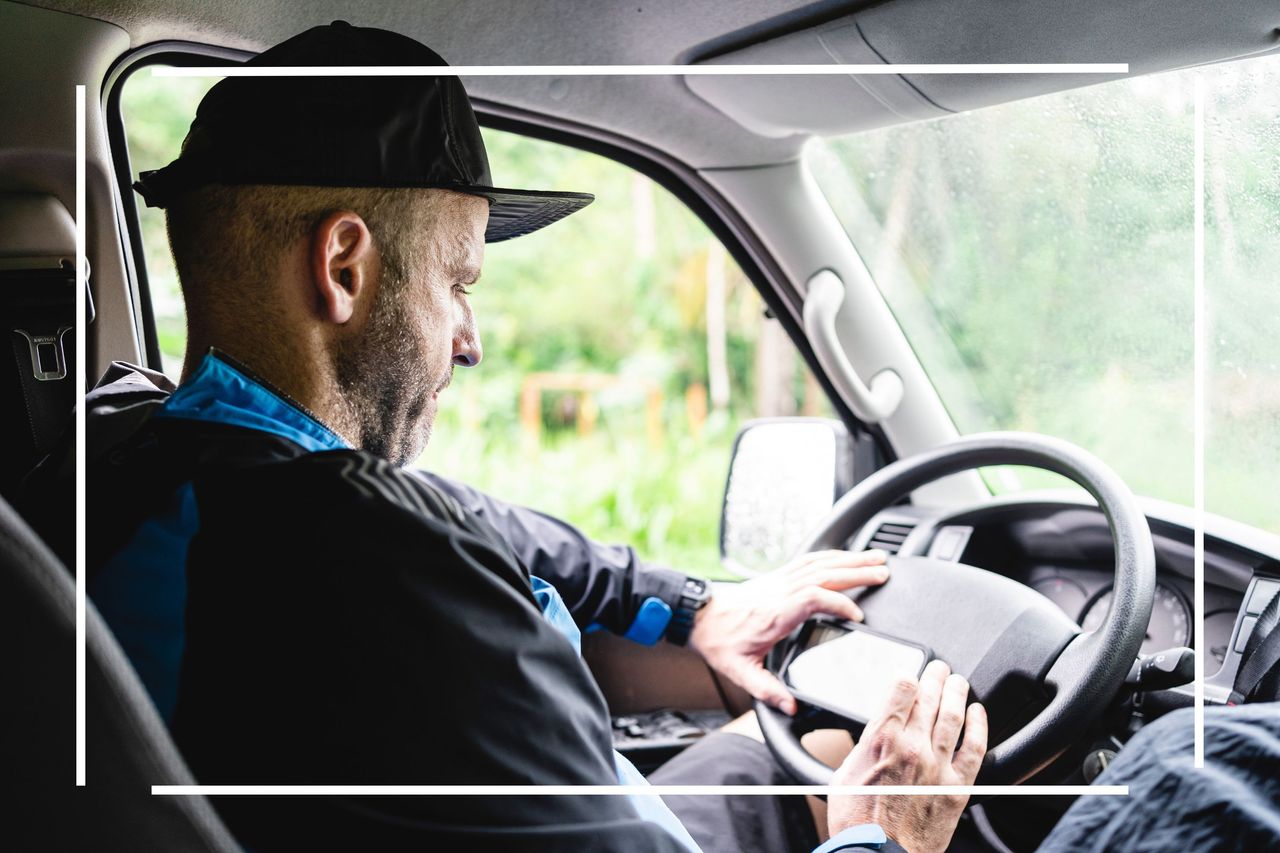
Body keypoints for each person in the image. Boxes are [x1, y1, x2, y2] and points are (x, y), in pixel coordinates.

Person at [86, 21, 987, 853]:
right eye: (459, 283)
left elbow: (478, 522)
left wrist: (695, 606)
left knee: (768, 756)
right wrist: (884, 838)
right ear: (344, 267)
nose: (468, 340)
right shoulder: (384, 582)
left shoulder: (132, 450)